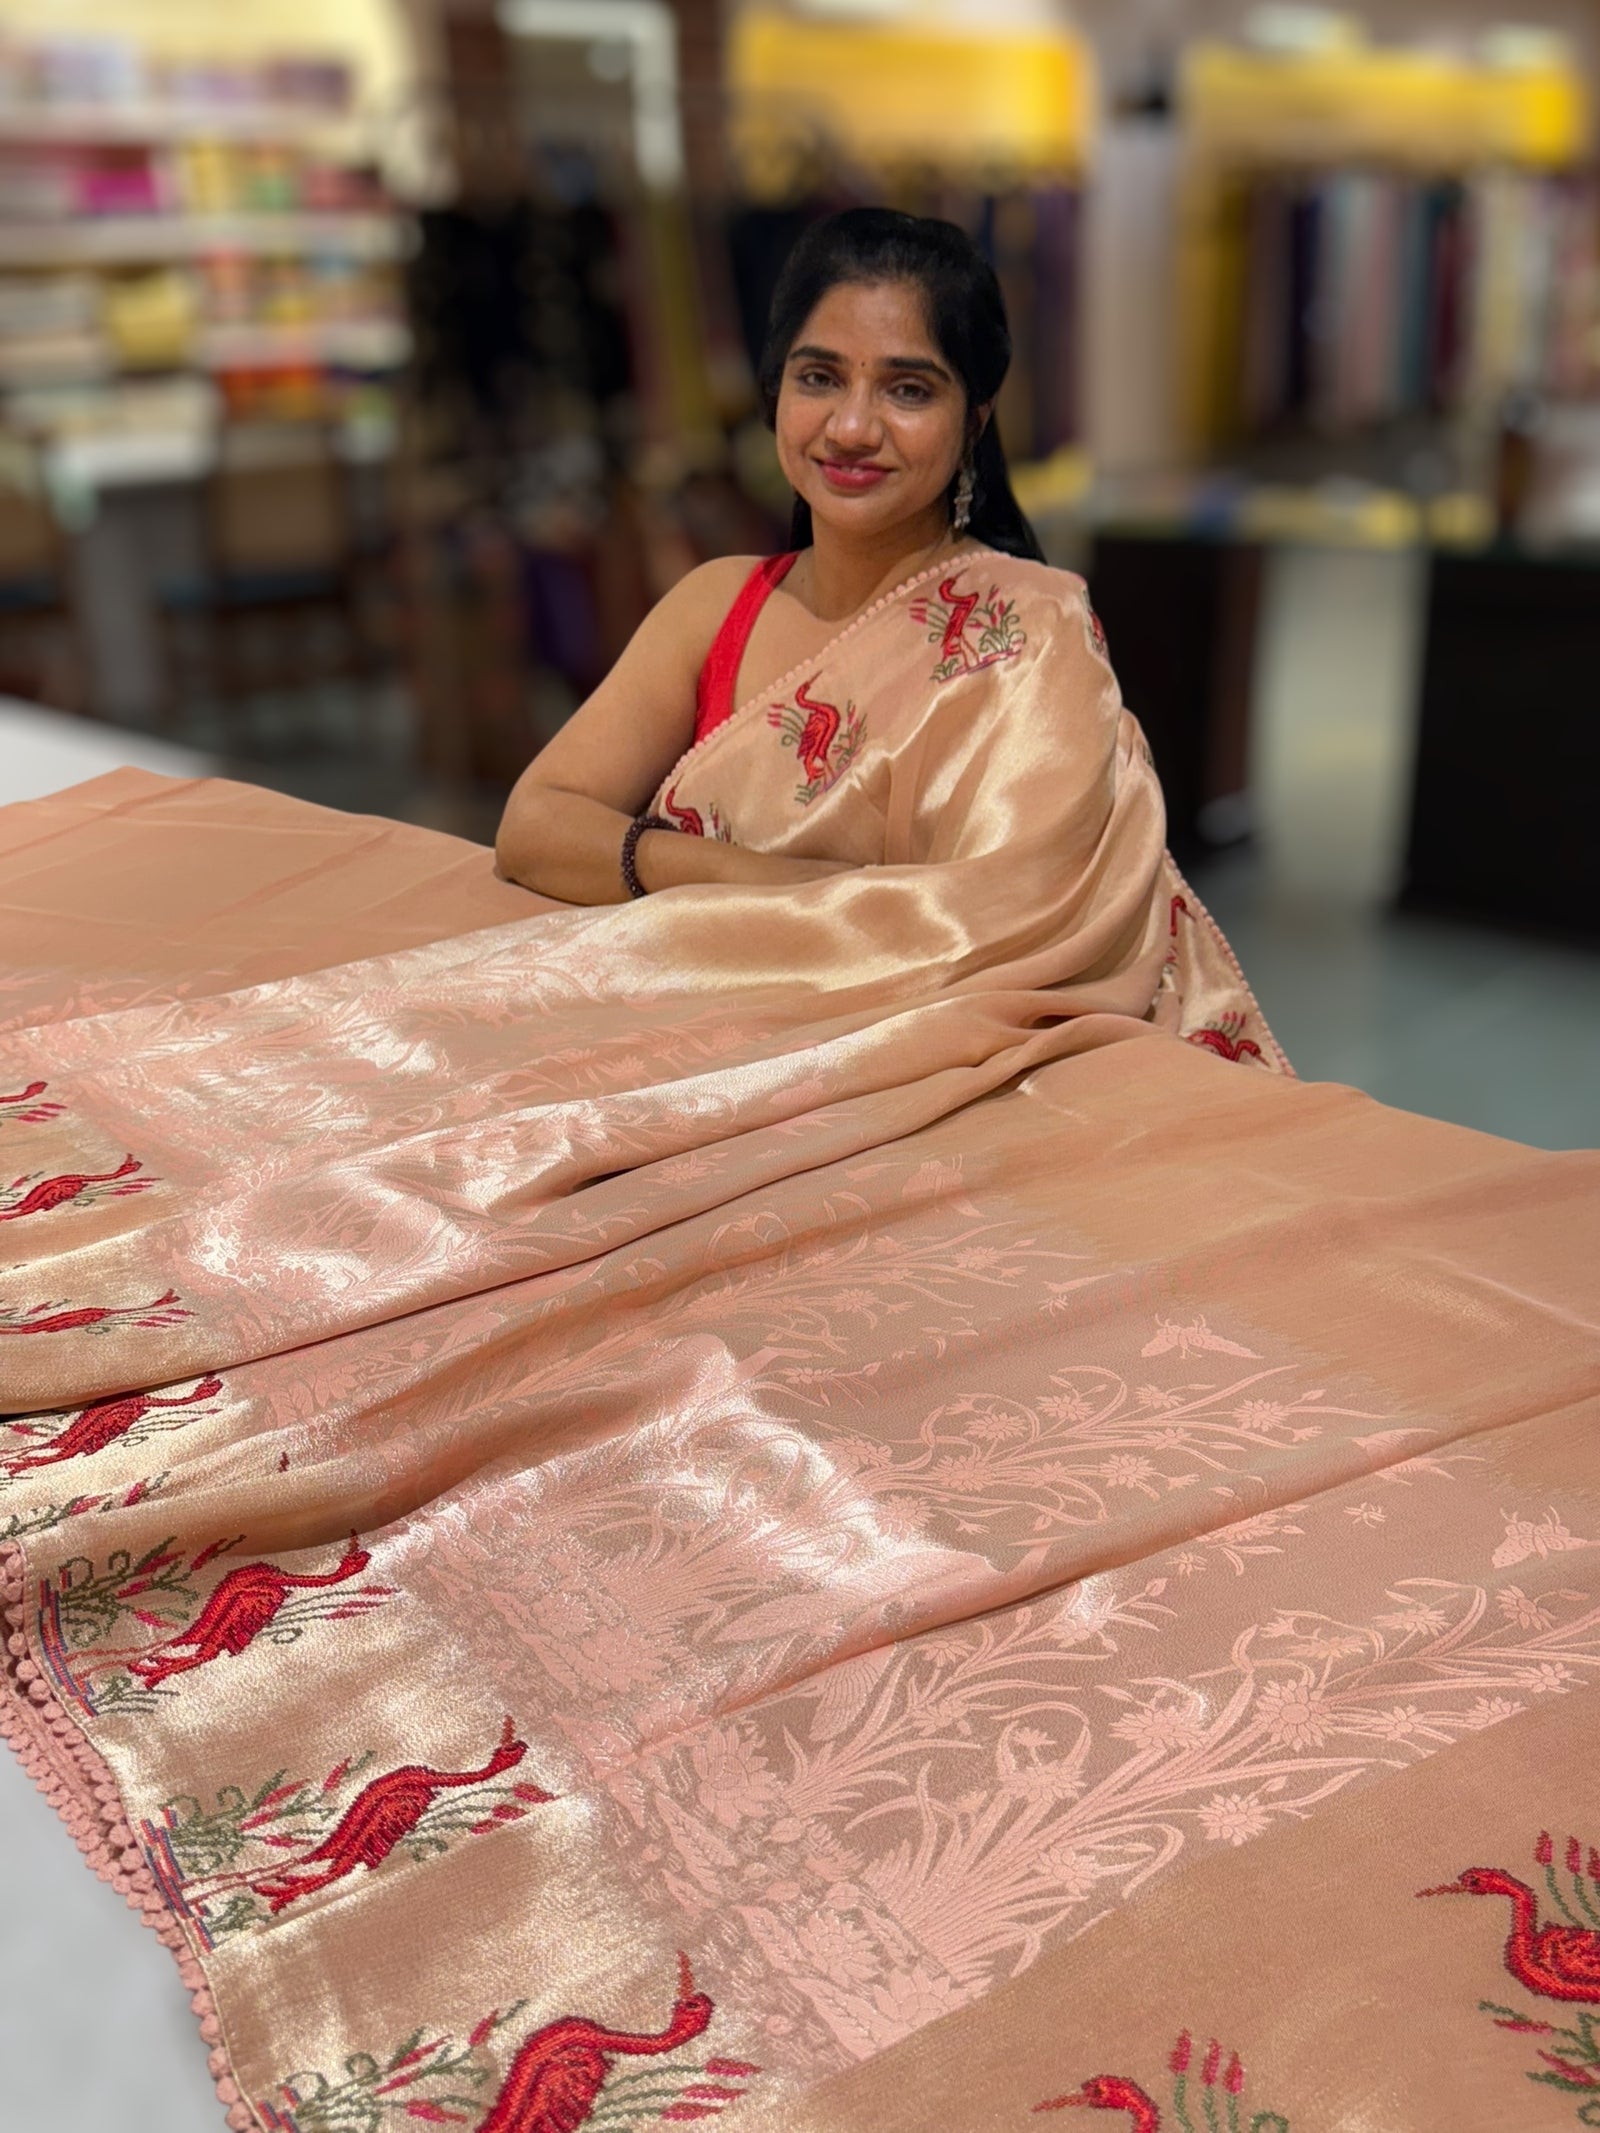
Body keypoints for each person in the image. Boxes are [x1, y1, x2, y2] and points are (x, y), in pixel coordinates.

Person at [495, 207, 1046, 907]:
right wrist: (756, 881)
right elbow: (534, 824)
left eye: (908, 390)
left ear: (974, 420)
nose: (851, 428)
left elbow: (1025, 912)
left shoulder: (1027, 632)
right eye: (818, 378)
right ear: (775, 388)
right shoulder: (720, 607)